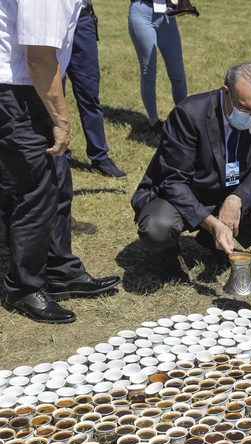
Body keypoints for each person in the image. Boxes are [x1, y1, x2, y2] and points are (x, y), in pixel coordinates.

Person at [0, 0, 122, 324]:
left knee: (58, 178)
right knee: (35, 188)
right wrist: (63, 119)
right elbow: (38, 59)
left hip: (31, 85)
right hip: (18, 89)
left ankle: (59, 269)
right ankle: (23, 286)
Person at [131, 62, 251, 282]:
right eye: (244, 108)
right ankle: (170, 254)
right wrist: (212, 222)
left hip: (225, 191)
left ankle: (210, 240)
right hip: (181, 196)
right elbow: (173, 183)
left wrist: (236, 199)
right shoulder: (189, 114)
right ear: (226, 92)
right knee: (157, 229)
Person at [65, 0, 126, 178]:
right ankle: (60, 154)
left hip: (82, 21)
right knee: (53, 92)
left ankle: (99, 155)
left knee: (89, 93)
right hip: (52, 21)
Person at [128, 0, 188, 132]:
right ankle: (154, 121)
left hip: (167, 16)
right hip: (142, 13)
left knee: (178, 74)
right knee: (148, 70)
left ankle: (184, 118)